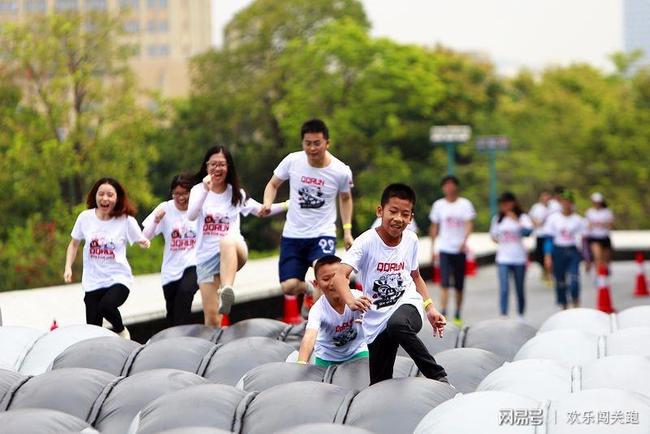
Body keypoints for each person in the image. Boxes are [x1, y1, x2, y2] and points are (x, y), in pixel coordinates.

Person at [333, 183, 449, 385]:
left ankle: (439, 376)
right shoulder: (366, 242)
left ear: (411, 218)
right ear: (380, 211)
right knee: (379, 381)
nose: (398, 219)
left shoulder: (411, 239)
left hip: (407, 304)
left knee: (397, 325)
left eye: (405, 214)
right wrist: (351, 301)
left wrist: (430, 308)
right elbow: (339, 276)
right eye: (393, 212)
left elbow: (415, 276)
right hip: (376, 318)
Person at [261, 119, 354, 314]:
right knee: (289, 286)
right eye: (307, 143)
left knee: (326, 278)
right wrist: (268, 203)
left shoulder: (340, 171)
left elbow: (345, 199)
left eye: (317, 143)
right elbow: (272, 184)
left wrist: (347, 231)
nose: (312, 148)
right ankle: (308, 289)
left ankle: (317, 325)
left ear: (327, 143)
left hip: (322, 233)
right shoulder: (293, 161)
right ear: (302, 143)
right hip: (293, 234)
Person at [188, 146, 286, 327]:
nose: (217, 169)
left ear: (228, 167)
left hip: (233, 251)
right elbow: (191, 215)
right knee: (211, 318)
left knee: (226, 241)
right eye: (213, 164)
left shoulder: (236, 193)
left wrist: (287, 205)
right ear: (206, 166)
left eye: (222, 165)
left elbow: (261, 211)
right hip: (206, 258)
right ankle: (215, 349)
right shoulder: (197, 190)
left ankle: (227, 289)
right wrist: (204, 189)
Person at [63, 177, 150, 339]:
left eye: (110, 195)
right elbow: (73, 244)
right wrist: (68, 267)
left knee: (106, 306)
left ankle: (121, 331)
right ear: (95, 196)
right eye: (101, 194)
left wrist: (144, 241)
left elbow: (141, 238)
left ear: (117, 198)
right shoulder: (85, 218)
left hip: (118, 279)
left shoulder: (125, 221)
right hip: (93, 281)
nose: (105, 198)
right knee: (93, 331)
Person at [143, 173, 199, 327]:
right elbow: (145, 237)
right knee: (172, 311)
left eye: (185, 193)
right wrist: (156, 220)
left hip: (194, 264)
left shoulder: (199, 208)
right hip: (170, 269)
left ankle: (182, 339)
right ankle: (175, 338)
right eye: (177, 194)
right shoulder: (165, 208)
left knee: (185, 292)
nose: (181, 198)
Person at [297, 255, 368, 366]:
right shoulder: (317, 310)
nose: (332, 283)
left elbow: (379, 316)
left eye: (336, 277)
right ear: (317, 284)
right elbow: (309, 336)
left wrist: (369, 320)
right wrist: (301, 363)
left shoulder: (359, 298)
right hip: (327, 357)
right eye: (326, 279)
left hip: (357, 351)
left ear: (347, 277)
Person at [428, 175, 475, 327]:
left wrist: (465, 240)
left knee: (459, 284)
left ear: (456, 187)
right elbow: (434, 227)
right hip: (445, 248)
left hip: (459, 249)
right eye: (446, 185)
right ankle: (444, 311)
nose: (449, 188)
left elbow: (469, 223)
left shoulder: (464, 204)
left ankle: (458, 313)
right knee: (444, 282)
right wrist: (433, 247)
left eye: (451, 185)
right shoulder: (438, 205)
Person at [490, 192, 533, 320]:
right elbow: (493, 235)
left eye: (506, 202)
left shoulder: (522, 217)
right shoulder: (498, 218)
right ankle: (504, 314)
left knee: (519, 288)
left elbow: (528, 232)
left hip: (519, 258)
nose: (504, 205)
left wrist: (516, 219)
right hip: (503, 258)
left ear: (513, 203)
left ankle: (520, 314)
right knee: (504, 288)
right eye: (502, 203)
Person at [544, 190, 587, 309]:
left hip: (573, 250)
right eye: (564, 201)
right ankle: (563, 305)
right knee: (560, 280)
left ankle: (575, 300)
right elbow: (549, 239)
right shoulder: (553, 218)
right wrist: (547, 256)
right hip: (558, 250)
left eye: (569, 202)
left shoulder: (578, 219)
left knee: (574, 278)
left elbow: (583, 240)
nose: (566, 204)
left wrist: (587, 258)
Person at [585, 192, 614, 274]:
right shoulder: (590, 212)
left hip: (604, 236)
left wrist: (603, 224)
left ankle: (604, 272)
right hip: (594, 237)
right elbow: (587, 225)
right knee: (597, 257)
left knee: (605, 259)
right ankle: (598, 275)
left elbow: (611, 224)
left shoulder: (607, 211)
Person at [529, 189, 553, 282]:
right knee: (539, 255)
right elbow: (531, 217)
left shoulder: (553, 207)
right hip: (539, 234)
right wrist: (536, 223)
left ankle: (549, 273)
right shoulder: (536, 207)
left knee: (548, 255)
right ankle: (545, 270)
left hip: (550, 235)